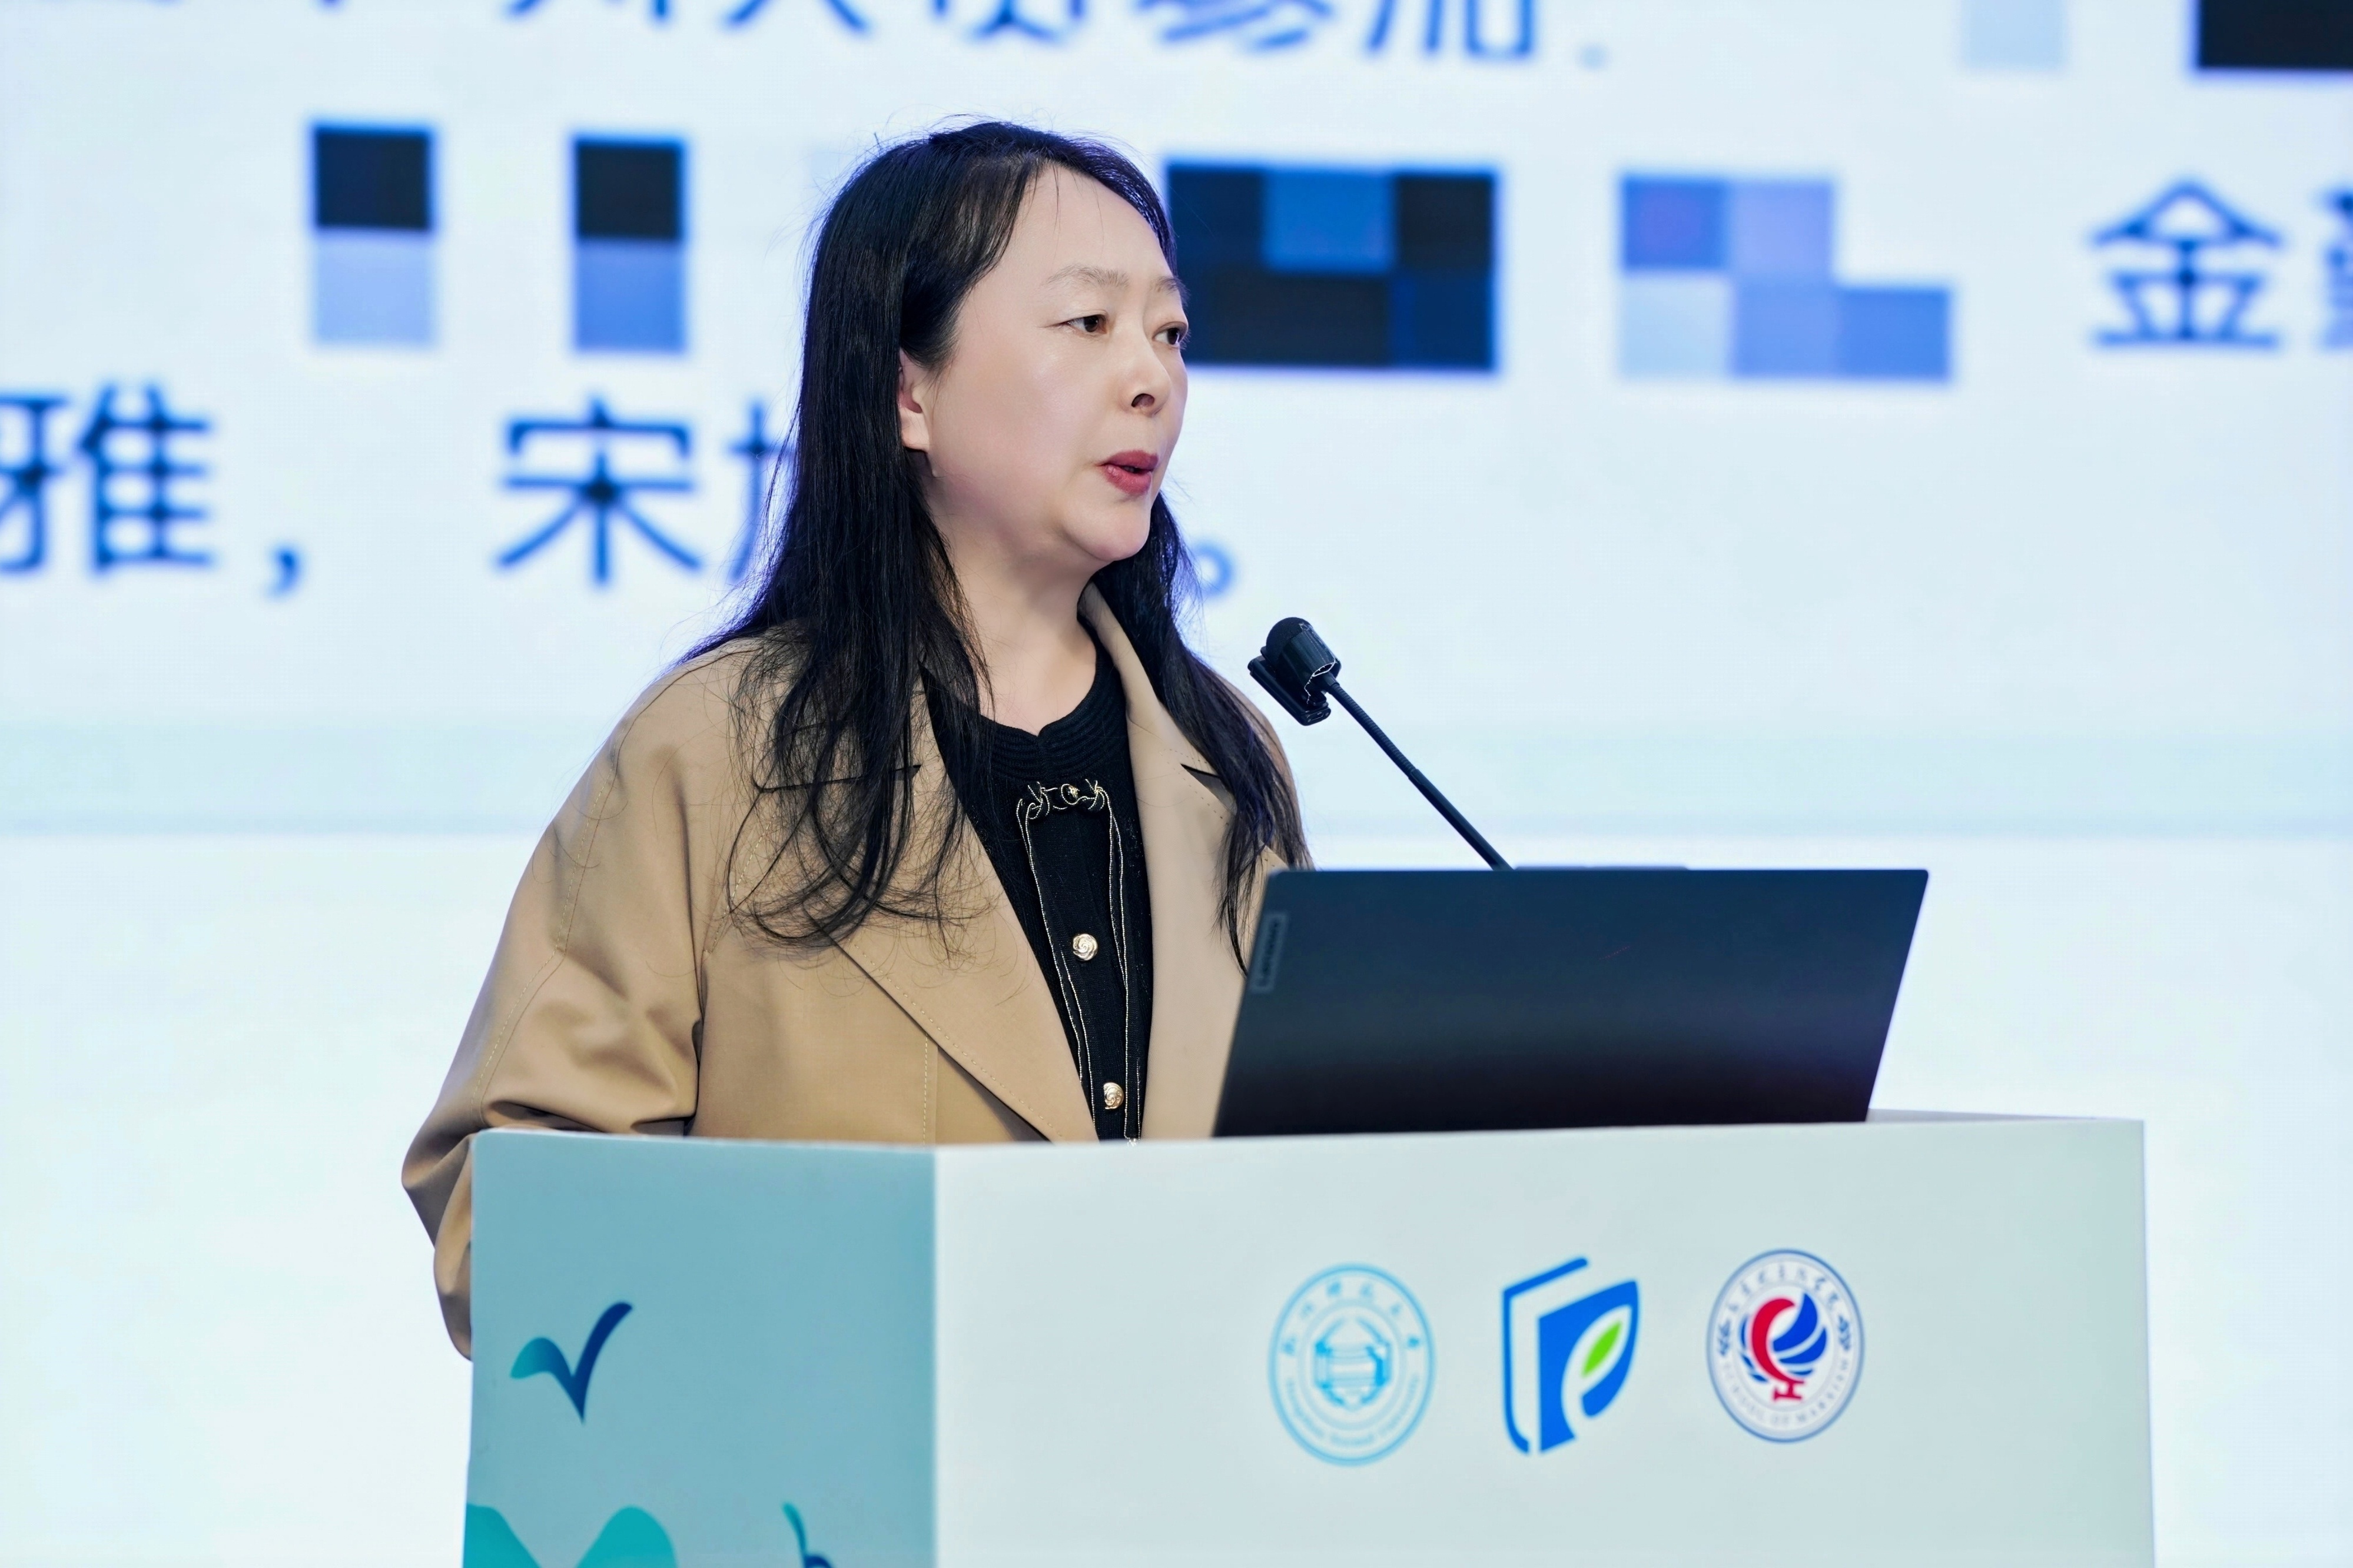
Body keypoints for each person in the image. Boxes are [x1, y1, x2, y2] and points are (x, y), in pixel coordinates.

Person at [402, 122, 1309, 1354]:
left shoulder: (1226, 757)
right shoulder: (715, 751)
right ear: (907, 393)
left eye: (1170, 332)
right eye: (1089, 323)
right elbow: (507, 1219)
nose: (1151, 377)